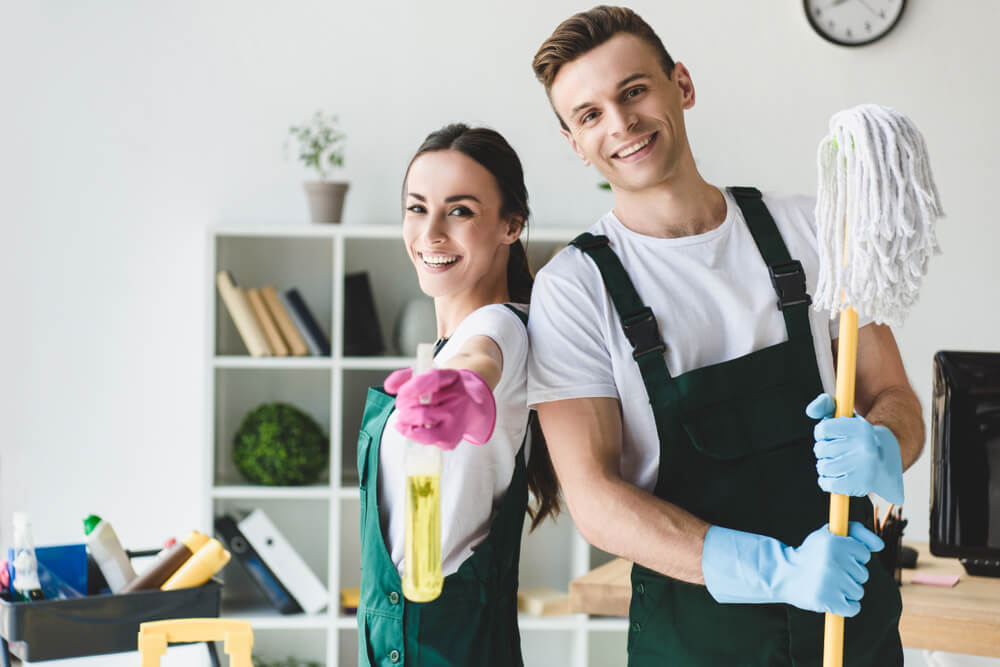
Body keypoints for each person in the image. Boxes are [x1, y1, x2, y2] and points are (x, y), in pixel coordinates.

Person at [526, 6, 923, 666]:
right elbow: (594, 501)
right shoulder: (575, 289)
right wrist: (780, 569)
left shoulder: (812, 231)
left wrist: (880, 442)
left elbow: (898, 401)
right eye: (590, 114)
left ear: (680, 85)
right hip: (696, 642)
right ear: (575, 141)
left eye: (633, 90)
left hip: (852, 628)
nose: (620, 123)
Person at [355, 123, 559, 667]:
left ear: (510, 225)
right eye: (417, 208)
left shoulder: (500, 326)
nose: (431, 233)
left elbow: (485, 358)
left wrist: (466, 385)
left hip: (454, 648)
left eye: (461, 211)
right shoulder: (446, 345)